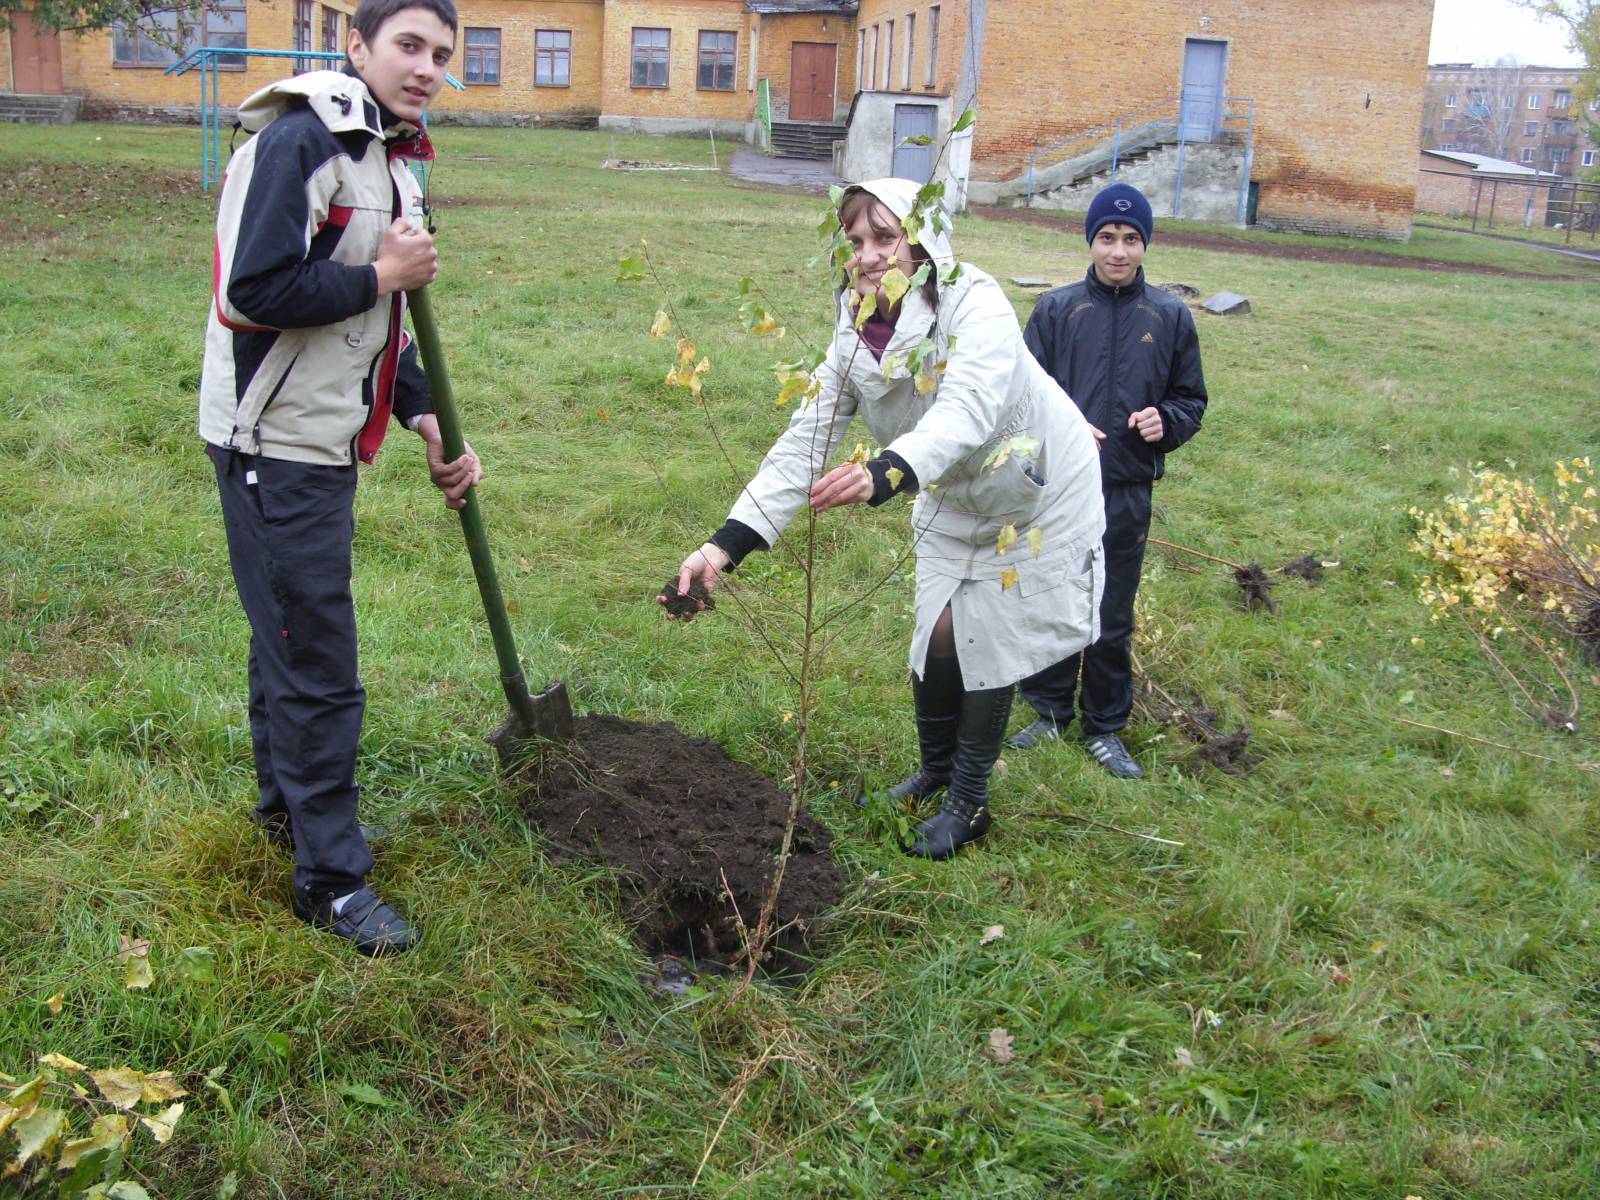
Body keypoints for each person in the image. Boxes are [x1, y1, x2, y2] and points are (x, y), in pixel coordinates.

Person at [661, 179, 1105, 860]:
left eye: (885, 237)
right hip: (948, 489)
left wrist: (884, 473)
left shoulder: (975, 301)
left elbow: (968, 410)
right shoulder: (855, 329)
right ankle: (934, 771)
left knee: (986, 636)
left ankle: (969, 800)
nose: (867, 256)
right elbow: (806, 440)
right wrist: (724, 548)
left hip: (1035, 488)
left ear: (922, 243)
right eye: (855, 240)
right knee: (937, 634)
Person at [198, 0, 481, 954]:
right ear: (356, 46)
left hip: (320, 440)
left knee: (286, 634)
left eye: (441, 53)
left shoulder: (388, 157)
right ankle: (331, 882)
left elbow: (380, 327)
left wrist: (426, 417)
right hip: (272, 441)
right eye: (408, 45)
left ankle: (285, 815)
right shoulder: (303, 141)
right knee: (317, 661)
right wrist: (382, 277)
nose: (427, 66)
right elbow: (253, 290)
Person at [1007, 183, 1208, 778]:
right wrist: (1064, 428)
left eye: (1131, 239)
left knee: (1112, 607)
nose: (1118, 251)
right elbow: (1021, 398)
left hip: (1126, 489)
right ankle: (1047, 711)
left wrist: (1165, 421)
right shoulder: (1057, 311)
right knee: (1053, 594)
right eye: (1107, 238)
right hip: (1060, 488)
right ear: (1090, 241)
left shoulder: (1168, 316)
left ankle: (1105, 725)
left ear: (1145, 245)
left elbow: (1190, 399)